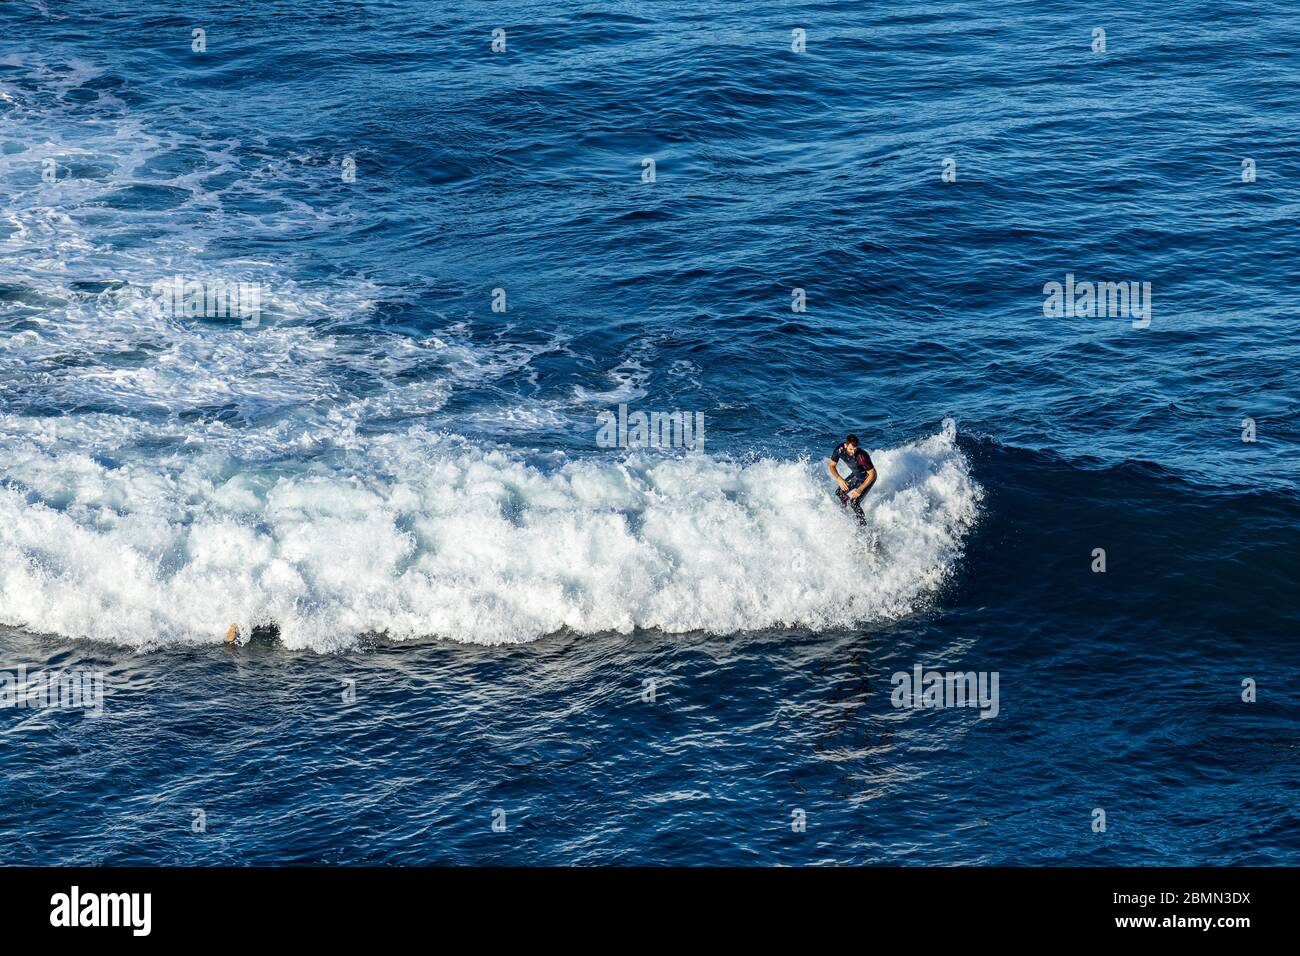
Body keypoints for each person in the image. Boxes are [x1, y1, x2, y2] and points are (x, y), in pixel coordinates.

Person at [828, 433, 876, 524]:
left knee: (854, 503)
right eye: (851, 449)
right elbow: (831, 465)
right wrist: (839, 479)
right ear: (846, 445)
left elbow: (872, 474)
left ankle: (863, 527)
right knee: (839, 493)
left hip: (867, 479)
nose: (853, 452)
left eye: (855, 449)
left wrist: (860, 489)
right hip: (856, 476)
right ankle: (846, 512)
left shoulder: (862, 456)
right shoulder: (840, 450)